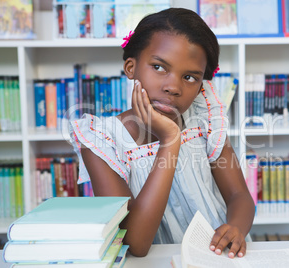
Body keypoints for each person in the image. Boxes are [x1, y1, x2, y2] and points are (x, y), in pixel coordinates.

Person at [69, 8, 255, 258]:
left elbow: (239, 195)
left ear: (201, 86)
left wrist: (236, 228)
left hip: (219, 256)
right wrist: (170, 140)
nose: (173, 87)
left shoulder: (204, 118)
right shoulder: (101, 142)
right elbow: (135, 242)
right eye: (159, 67)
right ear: (131, 67)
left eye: (189, 77)